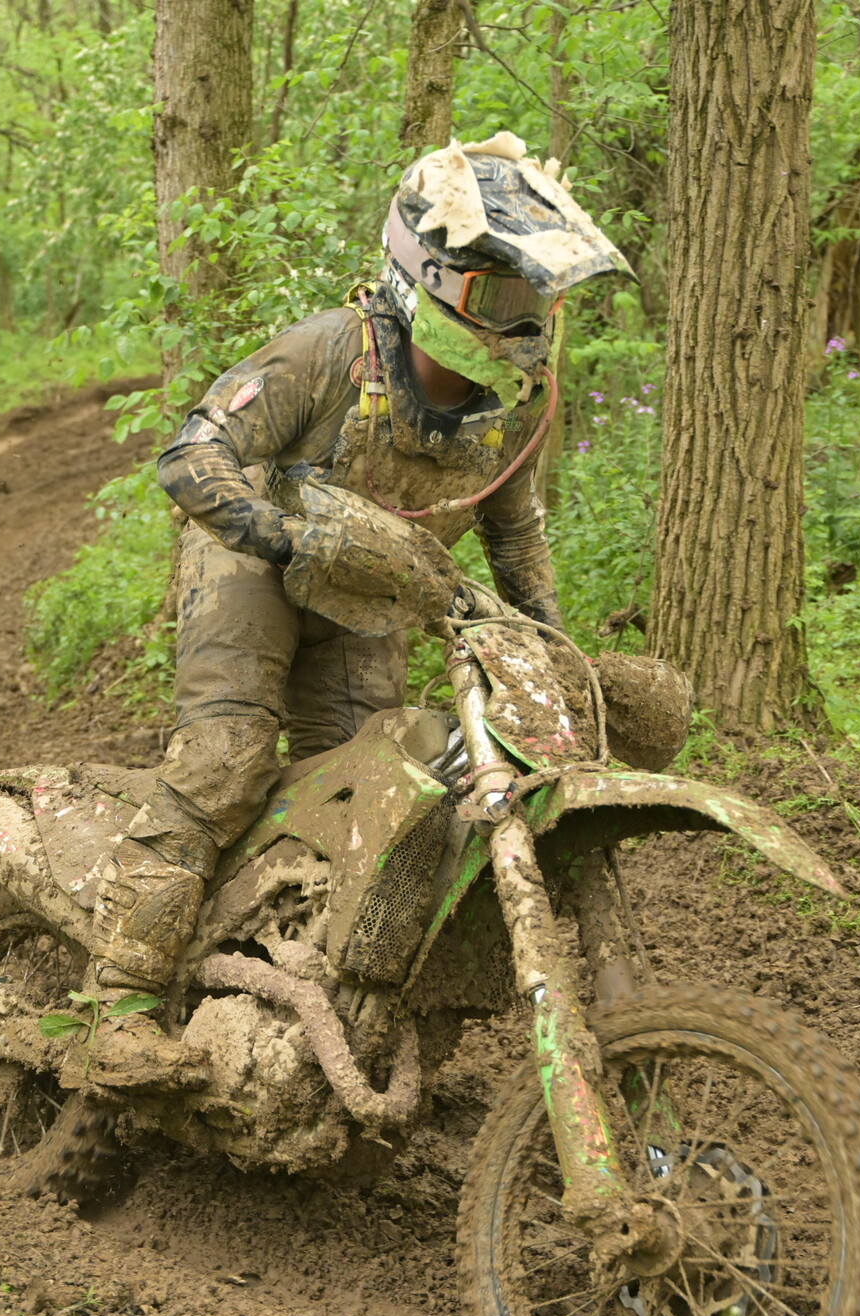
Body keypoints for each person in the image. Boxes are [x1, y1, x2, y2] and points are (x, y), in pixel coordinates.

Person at [81, 133, 628, 1078]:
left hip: (368, 600)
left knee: (373, 800)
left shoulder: (514, 403)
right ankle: (118, 1005)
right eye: (497, 299)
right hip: (250, 560)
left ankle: (287, 992)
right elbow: (190, 456)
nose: (517, 322)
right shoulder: (330, 353)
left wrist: (552, 653)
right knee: (228, 759)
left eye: (530, 301)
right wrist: (281, 533)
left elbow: (513, 535)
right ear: (427, 274)